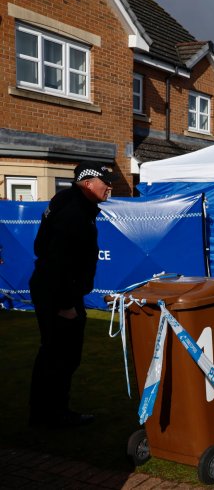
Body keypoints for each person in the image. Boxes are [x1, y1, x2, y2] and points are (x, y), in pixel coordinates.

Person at [28, 161, 113, 428]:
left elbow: (40, 244)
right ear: (88, 183)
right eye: (105, 182)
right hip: (58, 294)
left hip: (53, 289)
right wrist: (65, 304)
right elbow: (57, 258)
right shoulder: (74, 211)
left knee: (55, 353)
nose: (109, 187)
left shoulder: (68, 201)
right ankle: (52, 415)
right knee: (60, 355)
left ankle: (46, 413)